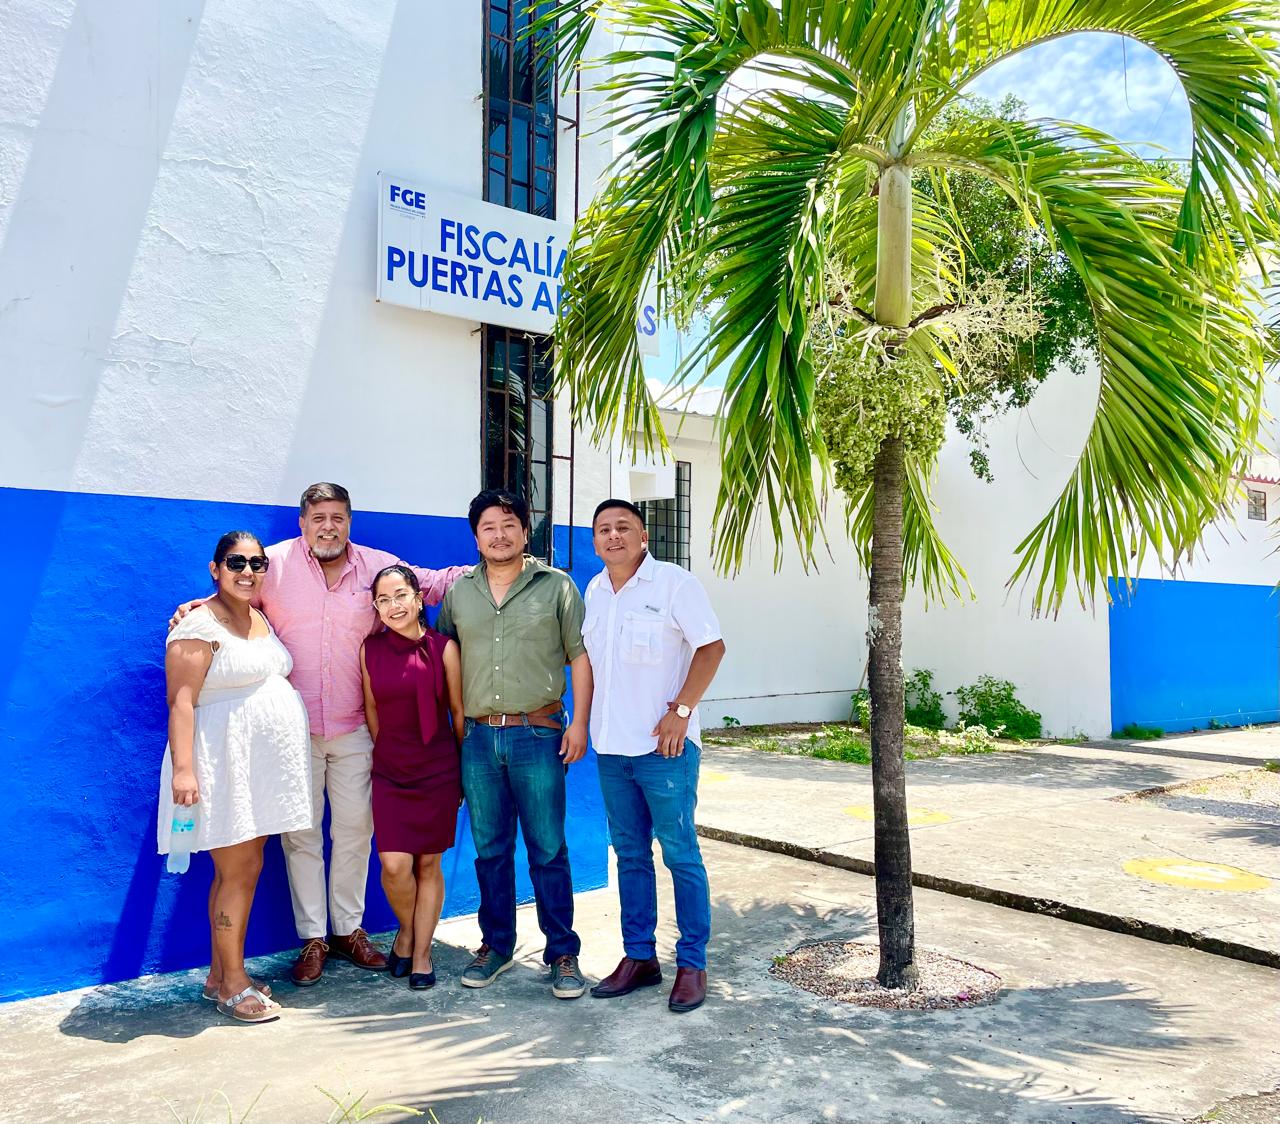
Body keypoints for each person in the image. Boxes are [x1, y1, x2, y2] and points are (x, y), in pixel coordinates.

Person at [172, 482, 467, 985]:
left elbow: (436, 583)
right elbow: (233, 593)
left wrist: (505, 562)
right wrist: (197, 606)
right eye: (318, 518)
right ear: (302, 523)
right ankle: (313, 937)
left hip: (355, 729)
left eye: (337, 518)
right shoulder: (273, 564)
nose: (328, 527)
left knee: (354, 833)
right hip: (293, 734)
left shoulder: (377, 566)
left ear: (349, 522)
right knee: (301, 838)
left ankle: (348, 930)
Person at [434, 490, 592, 999]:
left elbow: (580, 656)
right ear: (475, 537)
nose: (499, 535)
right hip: (479, 739)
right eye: (488, 527)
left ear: (526, 531)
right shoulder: (460, 593)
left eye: (508, 524)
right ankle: (496, 945)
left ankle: (562, 953)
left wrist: (579, 724)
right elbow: (444, 657)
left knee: (548, 849)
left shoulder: (557, 587)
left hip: (538, 734)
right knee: (491, 851)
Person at [158, 531, 312, 1023]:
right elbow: (181, 702)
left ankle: (218, 975)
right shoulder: (196, 626)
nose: (247, 571)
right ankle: (233, 984)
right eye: (236, 562)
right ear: (215, 568)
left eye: (256, 563)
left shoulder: (257, 616)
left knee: (246, 867)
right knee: (237, 871)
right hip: (222, 766)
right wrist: (185, 772)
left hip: (257, 772)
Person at [581, 499, 725, 1014]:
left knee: (680, 853)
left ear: (644, 537)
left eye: (624, 527)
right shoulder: (594, 591)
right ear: (595, 541)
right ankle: (639, 957)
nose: (613, 536)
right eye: (604, 529)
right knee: (630, 856)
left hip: (665, 749)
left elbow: (711, 647)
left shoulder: (674, 584)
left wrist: (682, 711)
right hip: (611, 749)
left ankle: (692, 963)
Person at [359, 565, 464, 990]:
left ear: (419, 598)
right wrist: (390, 754)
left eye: (400, 595)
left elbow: (457, 713)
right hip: (390, 771)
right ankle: (408, 931)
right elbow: (371, 710)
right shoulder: (369, 649)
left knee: (428, 863)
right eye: (383, 600)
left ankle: (421, 953)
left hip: (438, 769)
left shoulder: (444, 648)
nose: (393, 606)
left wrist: (461, 774)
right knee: (394, 865)